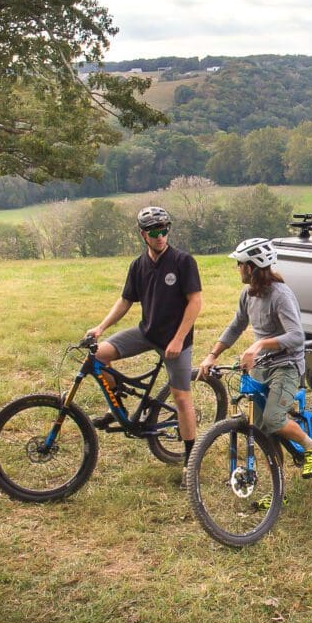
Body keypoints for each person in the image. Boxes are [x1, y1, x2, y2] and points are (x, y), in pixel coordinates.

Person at [86, 206, 203, 485]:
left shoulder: (183, 261)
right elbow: (126, 300)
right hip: (147, 332)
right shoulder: (138, 265)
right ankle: (118, 408)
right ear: (143, 235)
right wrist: (101, 327)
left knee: (182, 398)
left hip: (176, 340)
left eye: (164, 230)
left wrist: (177, 340)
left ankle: (190, 461)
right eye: (154, 232)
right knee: (97, 356)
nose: (161, 236)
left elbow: (195, 302)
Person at [198, 238, 312, 490]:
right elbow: (236, 326)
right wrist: (213, 355)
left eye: (240, 264)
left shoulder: (280, 295)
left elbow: (297, 336)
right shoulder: (248, 294)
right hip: (262, 367)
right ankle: (279, 492)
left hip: (287, 365)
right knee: (264, 430)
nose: (238, 269)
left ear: (252, 267)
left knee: (274, 419)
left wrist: (259, 345)